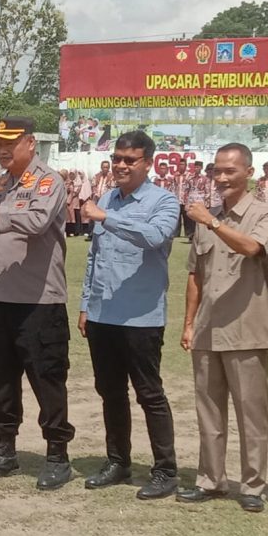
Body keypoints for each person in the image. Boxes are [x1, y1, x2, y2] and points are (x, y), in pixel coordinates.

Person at [0, 117, 75, 489]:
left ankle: (57, 455)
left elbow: (37, 221)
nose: (2, 149)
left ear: (31, 143)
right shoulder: (6, 182)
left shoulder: (47, 181)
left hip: (40, 301)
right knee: (2, 380)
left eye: (10, 142)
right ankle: (4, 451)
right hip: (4, 298)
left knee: (47, 379)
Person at [177, 143, 268, 513]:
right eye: (216, 170)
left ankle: (252, 486)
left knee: (251, 412)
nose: (221, 177)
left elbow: (253, 247)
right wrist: (189, 323)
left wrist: (213, 222)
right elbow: (195, 276)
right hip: (207, 329)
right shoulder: (208, 215)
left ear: (248, 173)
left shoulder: (265, 212)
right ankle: (211, 480)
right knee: (208, 411)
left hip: (246, 328)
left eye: (229, 171)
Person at [79, 130, 181, 500]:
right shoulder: (108, 197)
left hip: (141, 317)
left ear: (147, 163)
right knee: (110, 392)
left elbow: (155, 236)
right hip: (104, 314)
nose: (121, 165)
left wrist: (107, 217)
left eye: (129, 160)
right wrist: (86, 304)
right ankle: (118, 461)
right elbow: (94, 257)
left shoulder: (164, 201)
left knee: (149, 394)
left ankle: (165, 470)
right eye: (117, 158)